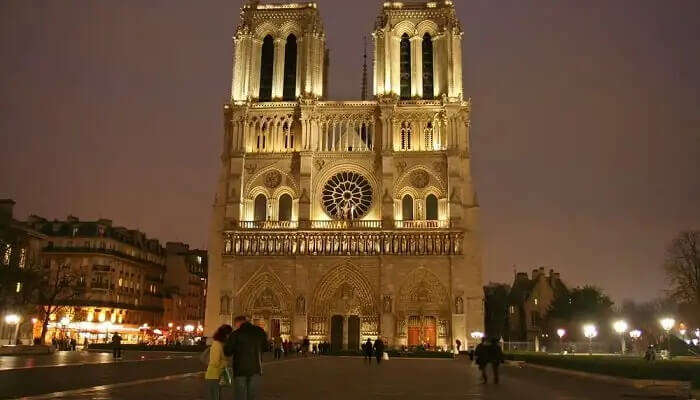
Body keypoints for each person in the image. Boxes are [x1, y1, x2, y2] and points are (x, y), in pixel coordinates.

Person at [224, 316, 268, 400]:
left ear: (238, 323)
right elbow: (266, 347)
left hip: (240, 369)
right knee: (252, 395)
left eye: (235, 324)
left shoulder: (236, 333)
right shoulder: (260, 331)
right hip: (256, 368)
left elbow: (227, 351)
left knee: (240, 395)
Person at [205, 324, 233, 400]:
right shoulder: (217, 344)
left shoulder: (222, 344)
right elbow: (215, 362)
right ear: (225, 334)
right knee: (214, 396)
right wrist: (225, 363)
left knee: (216, 396)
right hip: (213, 375)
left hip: (218, 375)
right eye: (229, 334)